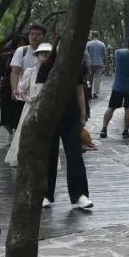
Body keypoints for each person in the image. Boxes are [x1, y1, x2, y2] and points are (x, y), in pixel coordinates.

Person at [38, 46, 93, 210]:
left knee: (75, 154)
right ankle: (45, 194)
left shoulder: (74, 65)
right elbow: (40, 92)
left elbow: (79, 92)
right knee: (49, 155)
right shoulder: (46, 66)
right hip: (50, 116)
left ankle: (79, 195)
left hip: (71, 115)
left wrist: (83, 115)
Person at [5, 42, 53, 166]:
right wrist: (29, 100)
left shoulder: (54, 73)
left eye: (47, 54)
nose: (44, 56)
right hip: (30, 107)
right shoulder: (30, 72)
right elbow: (22, 90)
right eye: (41, 54)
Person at [0, 34, 29, 138]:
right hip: (7, 87)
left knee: (19, 113)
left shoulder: (29, 55)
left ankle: (17, 133)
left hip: (23, 87)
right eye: (19, 44)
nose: (21, 46)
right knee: (5, 113)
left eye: (23, 44)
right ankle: (11, 132)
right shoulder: (6, 57)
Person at [10, 23, 47, 102]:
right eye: (32, 34)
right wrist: (14, 89)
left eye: (38, 35)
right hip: (22, 95)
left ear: (44, 37)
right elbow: (15, 72)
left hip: (42, 96)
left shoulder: (49, 53)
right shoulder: (21, 51)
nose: (34, 37)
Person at [84, 32, 107, 99]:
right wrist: (105, 64)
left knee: (89, 79)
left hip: (90, 64)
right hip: (99, 64)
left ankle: (89, 92)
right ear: (98, 36)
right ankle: (95, 93)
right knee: (97, 78)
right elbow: (105, 55)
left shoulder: (88, 44)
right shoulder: (102, 44)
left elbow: (85, 54)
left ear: (92, 36)